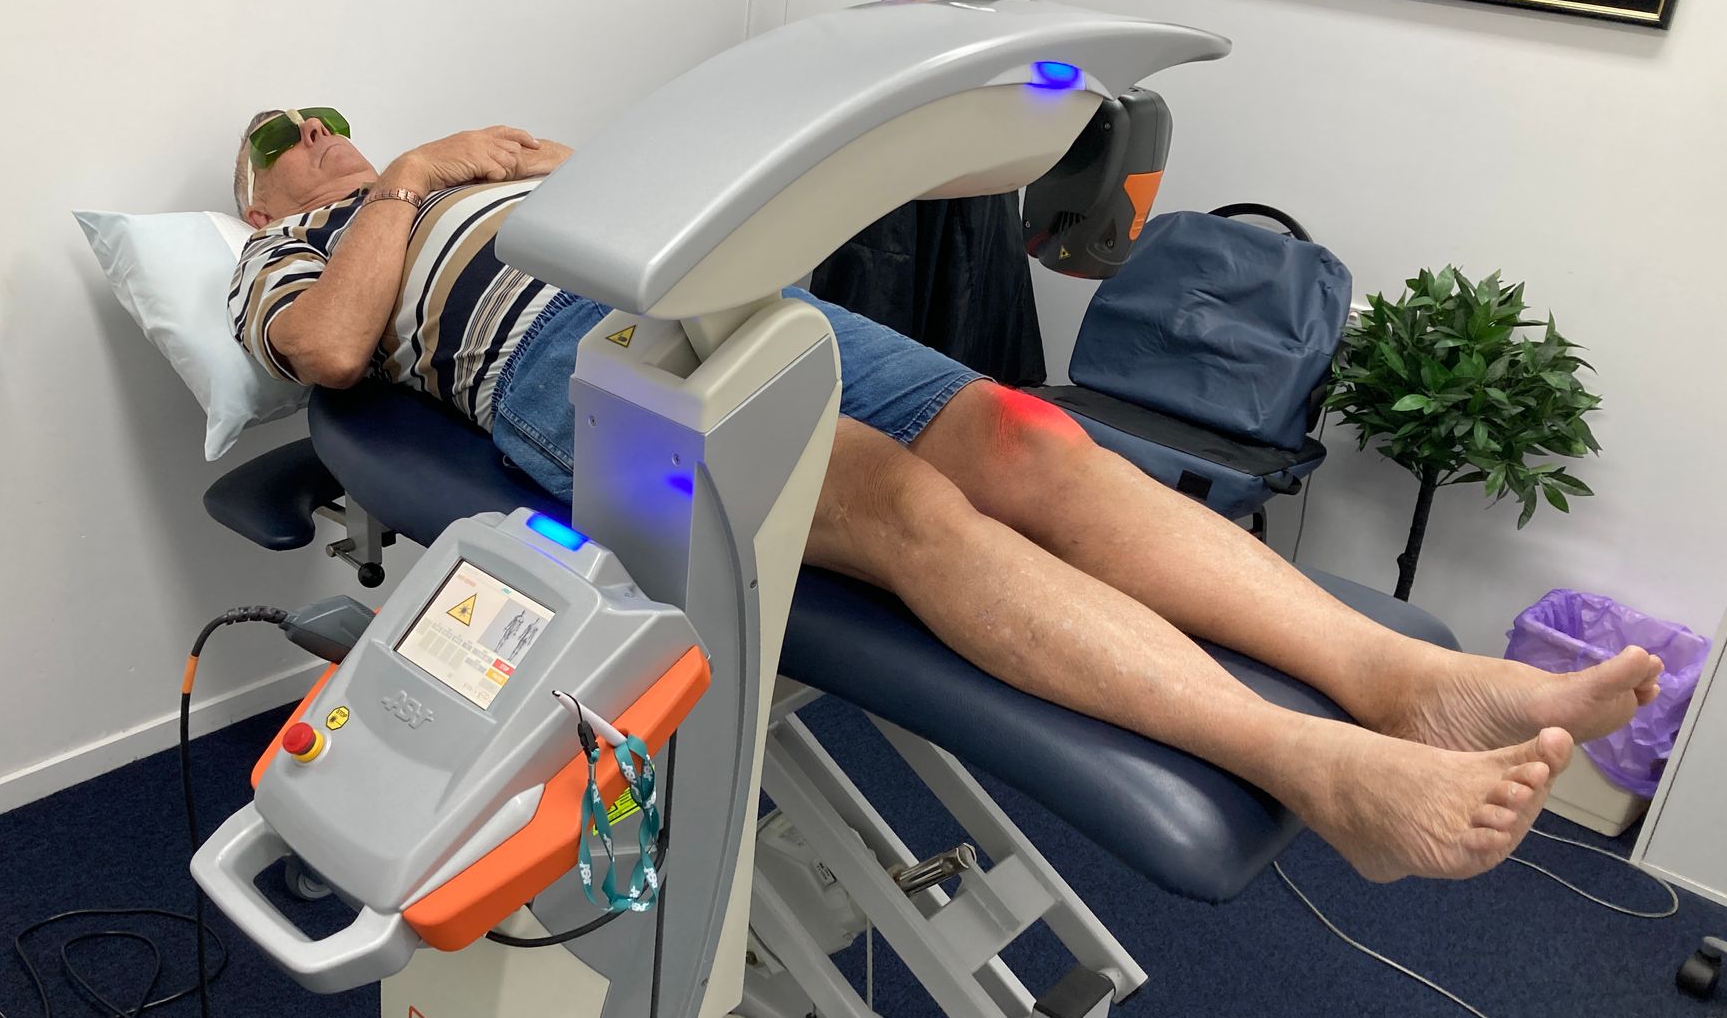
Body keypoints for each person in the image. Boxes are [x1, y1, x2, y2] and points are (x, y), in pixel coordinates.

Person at [229, 109, 1664, 886]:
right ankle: (1318, 765)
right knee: (911, 513)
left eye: (343, 123)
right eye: (294, 136)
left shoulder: (463, 160)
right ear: (261, 199)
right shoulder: (293, 258)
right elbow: (340, 351)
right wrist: (400, 185)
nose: (329, 137)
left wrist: (557, 160)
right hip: (570, 362)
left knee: (1027, 441)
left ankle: (1405, 677)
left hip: (736, 295)